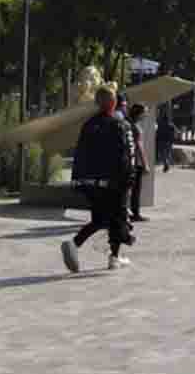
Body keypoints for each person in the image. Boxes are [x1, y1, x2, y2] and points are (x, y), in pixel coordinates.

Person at [61, 86, 135, 272]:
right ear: (113, 103)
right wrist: (129, 179)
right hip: (114, 183)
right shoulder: (121, 125)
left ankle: (74, 243)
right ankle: (114, 257)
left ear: (96, 103)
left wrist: (78, 181)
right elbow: (128, 155)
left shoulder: (88, 125)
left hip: (92, 184)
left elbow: (80, 154)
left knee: (100, 219)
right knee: (118, 218)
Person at [127, 103, 150, 222]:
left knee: (129, 189)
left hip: (128, 161)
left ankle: (131, 212)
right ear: (139, 114)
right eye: (144, 112)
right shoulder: (135, 127)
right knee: (136, 189)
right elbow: (139, 146)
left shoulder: (128, 124)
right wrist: (145, 163)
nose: (145, 115)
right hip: (136, 162)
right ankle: (135, 213)